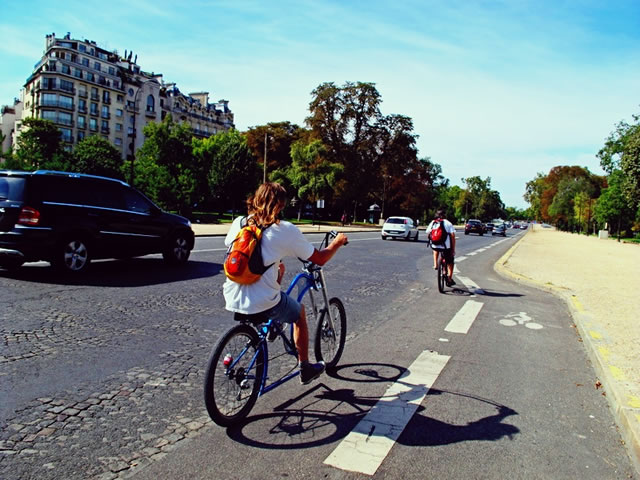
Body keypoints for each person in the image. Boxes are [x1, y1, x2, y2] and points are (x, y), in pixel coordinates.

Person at [223, 182, 349, 384]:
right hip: (260, 301)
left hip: (232, 295)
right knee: (299, 313)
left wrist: (275, 263)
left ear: (256, 199)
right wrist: (337, 242)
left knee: (277, 275)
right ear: (281, 205)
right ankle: (306, 367)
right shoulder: (284, 230)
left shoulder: (239, 223)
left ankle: (273, 325)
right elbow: (319, 258)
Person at [426, 209, 456, 286]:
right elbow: (452, 236)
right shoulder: (448, 223)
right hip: (446, 247)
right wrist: (453, 249)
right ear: (444, 215)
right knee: (450, 262)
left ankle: (436, 264)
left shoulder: (433, 222)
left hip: (435, 245)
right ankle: (449, 278)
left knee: (435, 249)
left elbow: (428, 233)